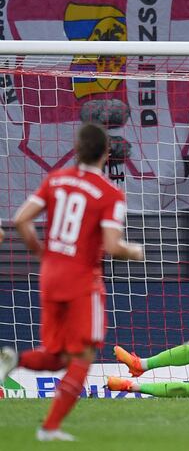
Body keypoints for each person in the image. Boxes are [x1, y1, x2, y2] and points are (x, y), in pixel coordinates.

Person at [0, 122, 144, 442]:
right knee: (83, 356)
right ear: (107, 154)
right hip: (82, 282)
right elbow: (111, 246)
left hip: (50, 276)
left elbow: (22, 219)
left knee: (58, 356)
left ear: (76, 150)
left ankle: (13, 361)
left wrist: (42, 253)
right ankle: (49, 428)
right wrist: (135, 251)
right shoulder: (110, 193)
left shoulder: (56, 179)